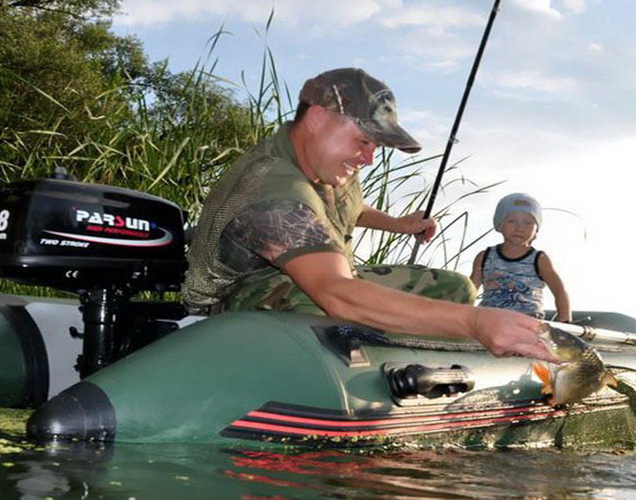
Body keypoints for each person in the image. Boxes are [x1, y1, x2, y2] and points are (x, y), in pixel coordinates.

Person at [183, 68, 555, 361]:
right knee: (334, 305)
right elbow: (336, 294)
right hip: (236, 306)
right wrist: (475, 321)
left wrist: (398, 225)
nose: (369, 157)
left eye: (376, 146)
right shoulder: (274, 189)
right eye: (364, 141)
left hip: (323, 277)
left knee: (455, 288)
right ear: (316, 118)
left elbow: (345, 207)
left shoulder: (327, 163)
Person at [470, 193, 571, 322]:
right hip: (490, 322)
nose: (519, 228)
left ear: (536, 229)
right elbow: (471, 291)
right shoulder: (484, 257)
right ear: (499, 224)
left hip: (527, 323)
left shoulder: (539, 259)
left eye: (527, 223)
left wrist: (565, 320)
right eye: (512, 221)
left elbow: (560, 291)